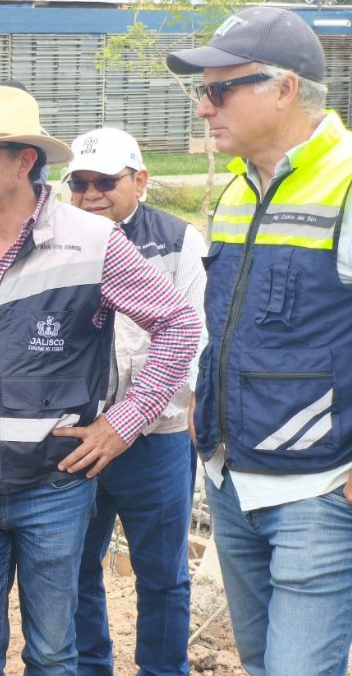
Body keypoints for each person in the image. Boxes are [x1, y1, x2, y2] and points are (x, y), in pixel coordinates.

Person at [0, 85, 200, 675]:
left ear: (25, 159)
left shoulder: (93, 242)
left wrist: (122, 425)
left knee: (54, 654)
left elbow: (179, 325)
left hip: (51, 490)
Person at [167, 8, 352, 675]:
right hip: (229, 482)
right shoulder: (240, 191)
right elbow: (228, 318)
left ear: (284, 89)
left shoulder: (348, 181)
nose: (203, 109)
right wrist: (199, 398)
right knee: (261, 663)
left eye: (219, 89)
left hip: (316, 493)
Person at [64, 127, 207, 676]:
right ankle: (89, 667)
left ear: (140, 180)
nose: (91, 193)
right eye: (80, 182)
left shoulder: (177, 240)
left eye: (106, 181)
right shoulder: (58, 240)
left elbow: (193, 332)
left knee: (163, 574)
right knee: (75, 567)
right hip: (79, 437)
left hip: (156, 438)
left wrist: (178, 407)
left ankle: (163, 670)